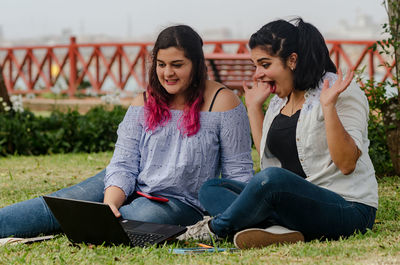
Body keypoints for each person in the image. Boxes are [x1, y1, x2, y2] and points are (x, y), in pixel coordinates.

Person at [0, 25, 254, 239]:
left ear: (197, 65)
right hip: (128, 181)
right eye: (161, 64)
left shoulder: (223, 103)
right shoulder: (142, 102)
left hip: (181, 203)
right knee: (62, 204)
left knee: (126, 224)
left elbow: (238, 174)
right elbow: (123, 164)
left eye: (177, 65)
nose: (168, 73)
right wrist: (110, 203)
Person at [180, 18, 378, 249]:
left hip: (346, 207)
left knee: (271, 181)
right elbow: (268, 162)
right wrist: (253, 109)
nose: (257, 74)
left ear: (292, 60)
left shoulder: (337, 91)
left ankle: (215, 229)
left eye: (265, 64)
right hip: (291, 204)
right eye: (255, 66)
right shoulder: (279, 101)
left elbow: (346, 164)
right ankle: (279, 230)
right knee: (212, 188)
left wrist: (328, 108)